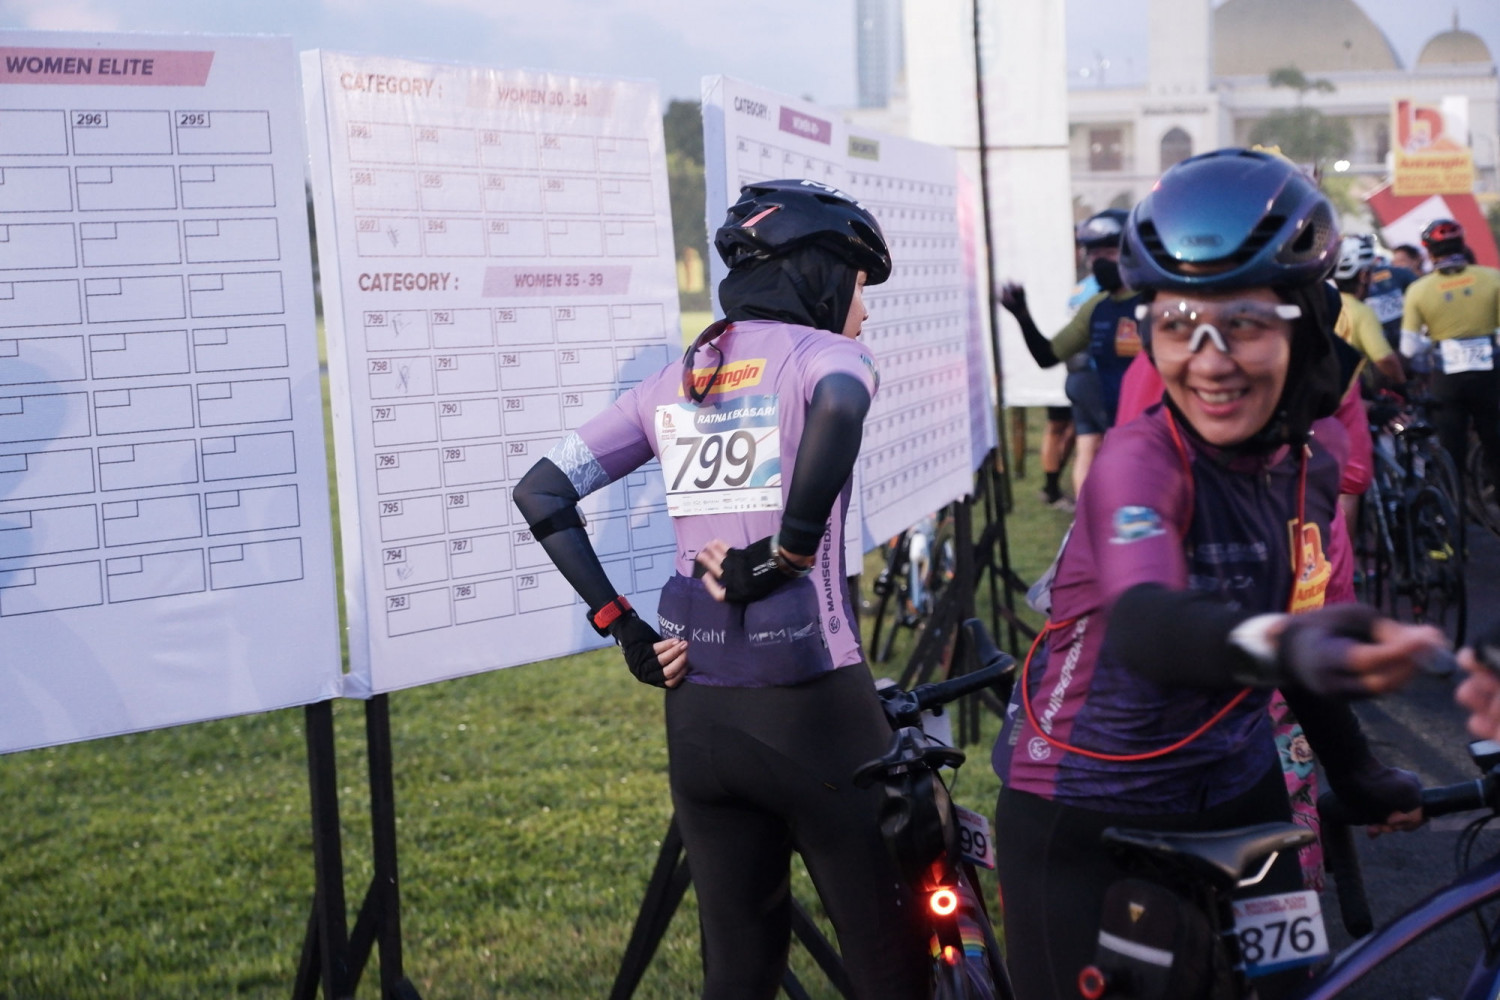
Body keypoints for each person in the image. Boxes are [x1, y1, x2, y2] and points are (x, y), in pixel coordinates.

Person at [991, 148, 1447, 1000]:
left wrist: (1355, 772)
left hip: (1236, 780)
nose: (1208, 361)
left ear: (1307, 324)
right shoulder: (1138, 459)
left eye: (1243, 323)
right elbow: (1148, 622)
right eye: (1175, 325)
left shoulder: (1311, 460)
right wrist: (1293, 646)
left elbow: (1286, 627)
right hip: (1086, 796)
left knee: (1292, 989)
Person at [512, 178, 929, 999]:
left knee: (738, 976)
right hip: (816, 710)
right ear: (819, 274)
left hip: (700, 721)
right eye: (859, 288)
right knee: (893, 968)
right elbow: (842, 406)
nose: (864, 312)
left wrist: (624, 626)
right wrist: (788, 554)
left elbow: (541, 491)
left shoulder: (678, 378)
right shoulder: (825, 356)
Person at [1002, 208, 1139, 501]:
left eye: (1109, 252)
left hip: (1156, 427)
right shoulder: (1097, 306)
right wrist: (1022, 315)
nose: (1099, 261)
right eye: (1093, 253)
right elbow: (1048, 356)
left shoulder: (1155, 302)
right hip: (1116, 421)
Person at [1399, 218, 1500, 514]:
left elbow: (1408, 348)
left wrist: (1436, 342)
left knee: (1450, 450)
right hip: (1489, 377)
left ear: (1429, 252)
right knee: (1496, 443)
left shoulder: (1419, 289)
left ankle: (1453, 514)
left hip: (1447, 381)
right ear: (1462, 244)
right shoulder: (1492, 278)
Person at [1332, 234, 1406, 387]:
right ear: (1363, 275)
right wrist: (1403, 385)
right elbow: (1384, 359)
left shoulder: (1329, 303)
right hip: (1358, 389)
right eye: (1371, 272)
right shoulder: (1361, 312)